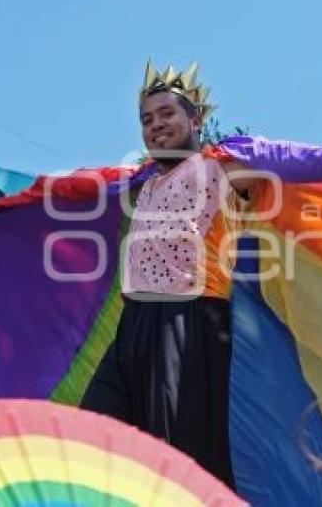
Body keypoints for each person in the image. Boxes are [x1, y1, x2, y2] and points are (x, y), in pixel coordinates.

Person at [81, 62, 239, 488]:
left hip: (189, 321)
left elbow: (299, 164)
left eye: (167, 114)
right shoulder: (145, 185)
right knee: (93, 435)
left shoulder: (221, 167)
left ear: (196, 119)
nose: (155, 125)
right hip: (134, 325)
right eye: (147, 120)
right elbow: (89, 190)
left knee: (176, 454)